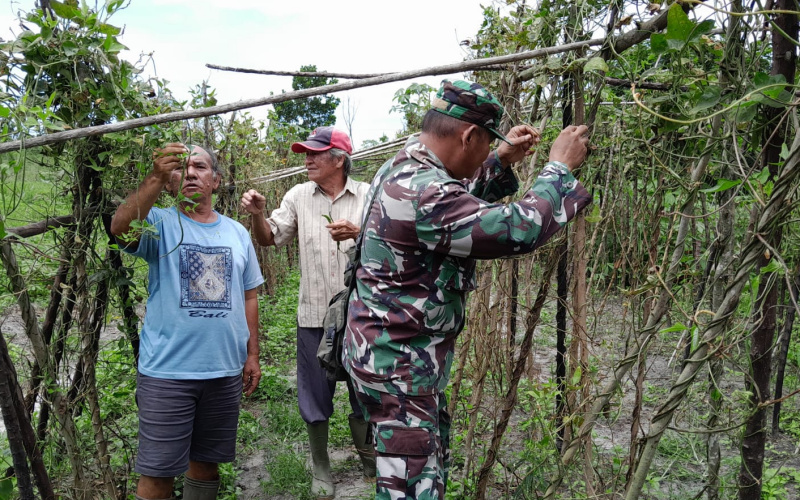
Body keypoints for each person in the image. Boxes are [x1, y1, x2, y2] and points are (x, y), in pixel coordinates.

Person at [343, 80, 593, 499]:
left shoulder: (404, 165)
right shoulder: (426, 190)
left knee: (419, 473)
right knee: (412, 488)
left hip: (391, 358)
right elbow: (518, 229)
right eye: (487, 143)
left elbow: (456, 202)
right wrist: (558, 168)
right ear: (469, 135)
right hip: (401, 368)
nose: (488, 151)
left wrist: (500, 158)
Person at [110, 143, 264, 500]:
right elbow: (120, 228)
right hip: (168, 373)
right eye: (180, 168)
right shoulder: (159, 223)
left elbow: (249, 296)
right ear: (169, 182)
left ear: (216, 180)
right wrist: (154, 176)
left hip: (224, 372)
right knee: (157, 473)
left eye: (200, 167)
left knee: (207, 464)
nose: (190, 174)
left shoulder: (237, 233)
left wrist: (252, 355)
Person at [240, 126, 374, 499]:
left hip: (363, 315)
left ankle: (369, 459)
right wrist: (258, 215)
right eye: (306, 153)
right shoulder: (299, 195)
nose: (307, 160)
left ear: (339, 159)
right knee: (314, 394)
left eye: (315, 153)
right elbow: (269, 237)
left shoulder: (368, 194)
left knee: (366, 390)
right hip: (314, 315)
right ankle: (321, 467)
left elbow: (393, 240)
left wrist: (359, 233)